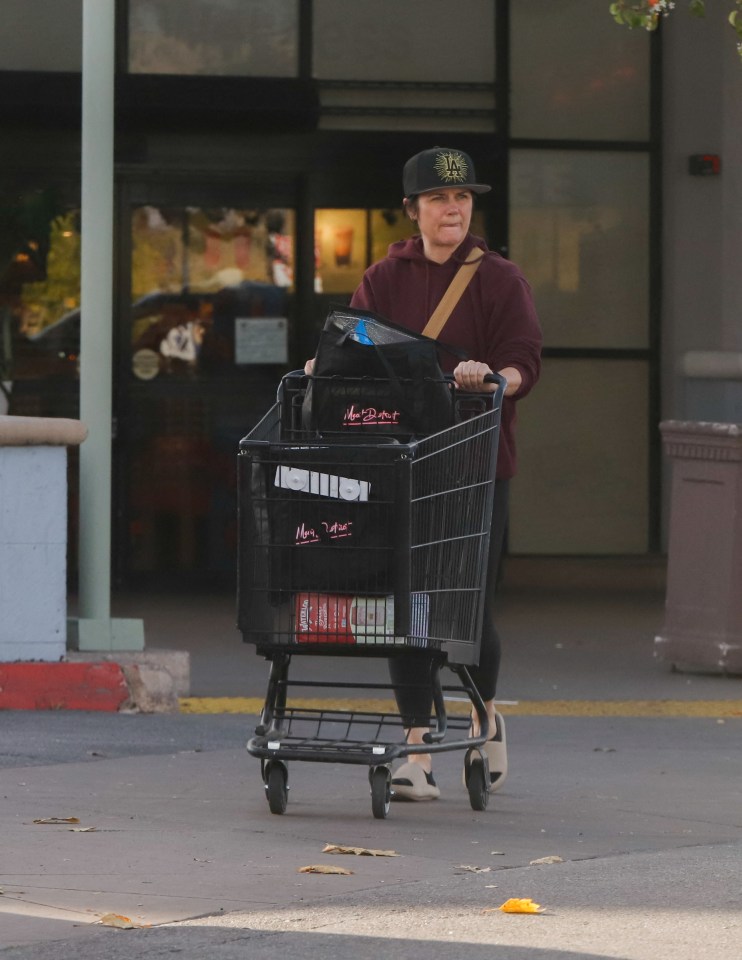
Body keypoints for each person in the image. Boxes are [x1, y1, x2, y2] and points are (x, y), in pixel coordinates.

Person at [306, 146, 542, 801]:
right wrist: (321, 368)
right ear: (413, 211)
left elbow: (524, 358)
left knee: (467, 607)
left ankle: (482, 715)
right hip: (399, 462)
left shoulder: (500, 279)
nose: (453, 209)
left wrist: (496, 378)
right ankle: (417, 750)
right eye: (440, 200)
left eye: (463, 198)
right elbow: (354, 349)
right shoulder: (385, 277)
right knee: (402, 604)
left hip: (474, 465)